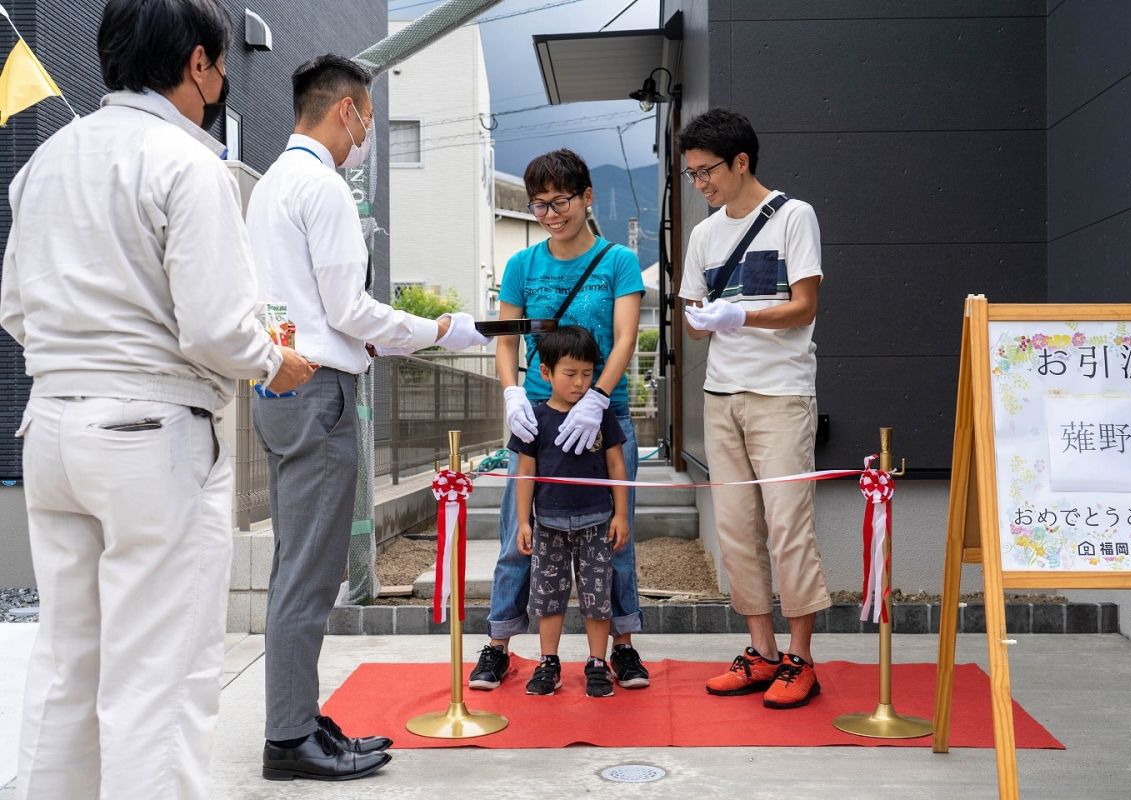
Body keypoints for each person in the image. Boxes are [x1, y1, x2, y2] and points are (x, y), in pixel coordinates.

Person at [0, 0, 316, 797]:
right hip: (151, 431)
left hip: (51, 423)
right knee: (161, 675)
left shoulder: (46, 161)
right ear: (199, 65)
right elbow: (215, 328)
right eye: (214, 68)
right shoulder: (188, 163)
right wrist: (272, 364)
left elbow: (13, 308)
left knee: (68, 659)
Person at [245, 54, 487, 782]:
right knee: (310, 579)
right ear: (347, 110)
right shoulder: (322, 187)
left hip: (282, 390)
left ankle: (298, 718)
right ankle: (289, 738)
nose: (367, 135)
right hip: (320, 395)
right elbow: (352, 312)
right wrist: (441, 329)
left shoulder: (269, 187)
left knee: (297, 566)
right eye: (370, 118)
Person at [469, 149, 649, 692]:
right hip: (538, 422)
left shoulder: (618, 261)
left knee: (615, 538)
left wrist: (597, 397)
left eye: (561, 201)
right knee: (517, 536)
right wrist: (511, 394)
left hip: (605, 418)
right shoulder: (522, 266)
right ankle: (499, 644)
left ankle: (623, 649)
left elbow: (624, 338)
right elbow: (505, 340)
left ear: (586, 197)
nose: (550, 213)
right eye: (540, 204)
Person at [677, 108, 830, 709]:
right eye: (691, 176)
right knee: (736, 528)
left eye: (706, 171)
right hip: (722, 393)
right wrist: (705, 318)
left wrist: (741, 314)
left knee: (789, 525)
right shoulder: (703, 234)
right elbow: (693, 322)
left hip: (782, 392)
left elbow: (805, 305)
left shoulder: (795, 216)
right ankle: (762, 652)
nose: (700, 184)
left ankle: (802, 658)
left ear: (742, 161)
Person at [508, 326, 629, 697]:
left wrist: (621, 515)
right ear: (546, 372)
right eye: (570, 373)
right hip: (548, 524)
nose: (580, 383)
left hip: (596, 523)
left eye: (588, 374)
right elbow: (524, 473)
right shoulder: (534, 418)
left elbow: (616, 466)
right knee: (548, 598)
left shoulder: (600, 414)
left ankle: (596, 662)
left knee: (597, 597)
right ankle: (549, 662)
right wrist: (523, 521)